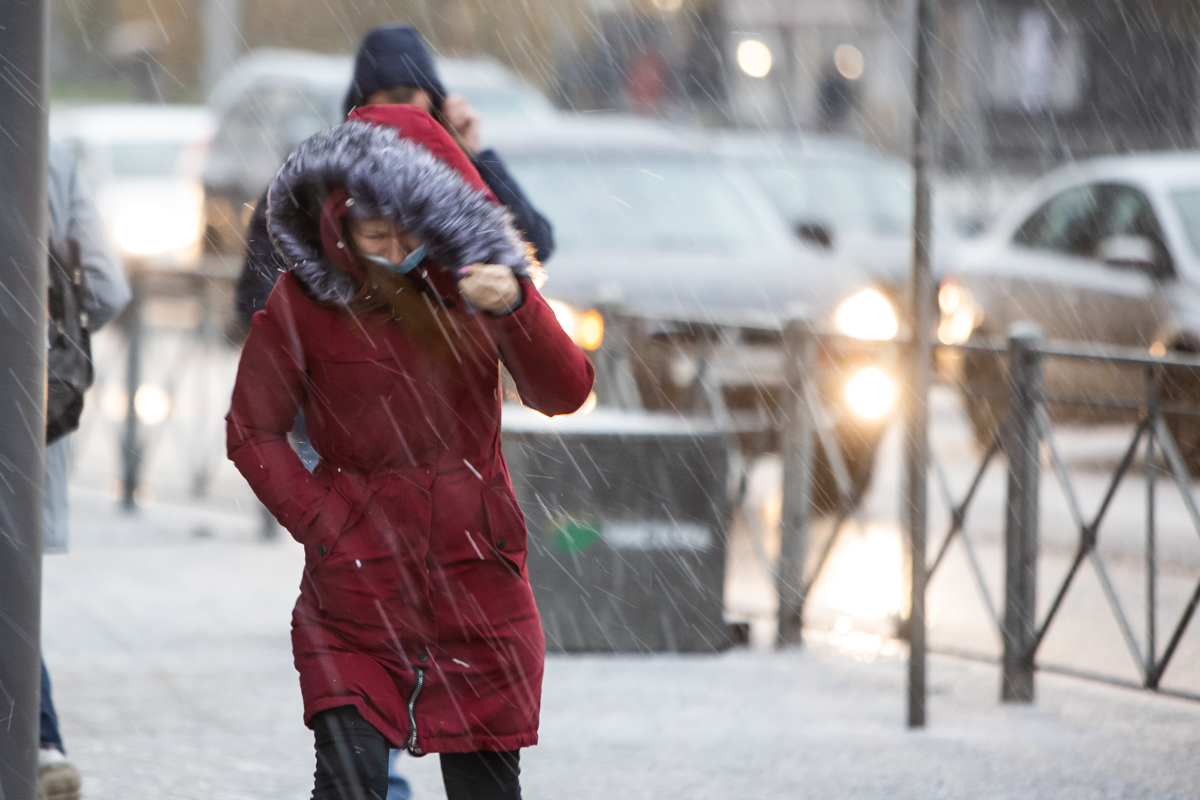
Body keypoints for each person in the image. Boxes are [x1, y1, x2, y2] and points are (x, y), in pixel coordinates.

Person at [225, 104, 594, 800]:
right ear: (340, 221)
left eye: (407, 233)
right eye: (373, 234)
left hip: (479, 585)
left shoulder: (477, 283)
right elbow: (251, 429)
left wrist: (518, 304)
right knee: (348, 786)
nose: (393, 252)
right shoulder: (304, 299)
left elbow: (565, 391)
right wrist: (326, 522)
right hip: (354, 595)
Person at [235, 23, 553, 331]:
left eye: (409, 93)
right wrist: (309, 353)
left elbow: (534, 244)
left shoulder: (454, 175)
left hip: (444, 363)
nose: (400, 106)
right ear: (362, 103)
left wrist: (473, 156)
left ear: (435, 101)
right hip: (347, 366)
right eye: (388, 94)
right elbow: (259, 291)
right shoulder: (320, 174)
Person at [39, 143, 132, 800]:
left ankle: (42, 738)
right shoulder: (48, 154)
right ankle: (41, 741)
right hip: (30, 405)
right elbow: (107, 285)